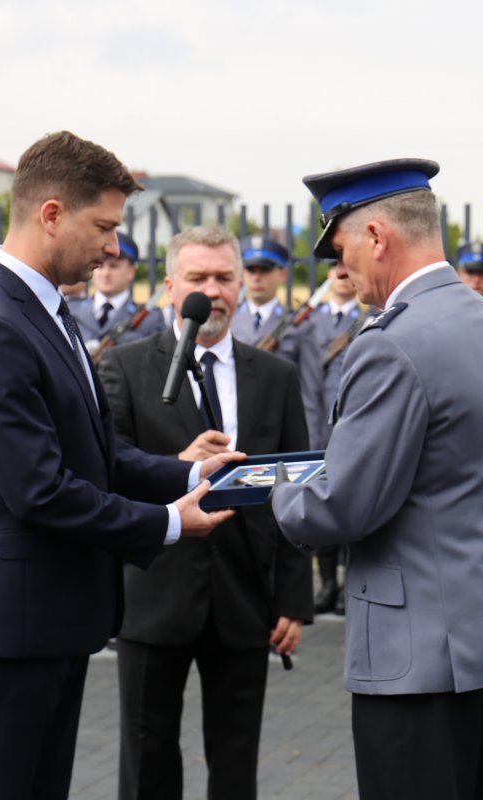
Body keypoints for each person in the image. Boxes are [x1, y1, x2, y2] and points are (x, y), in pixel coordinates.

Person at [0, 130, 239, 800]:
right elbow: (39, 490)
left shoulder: (44, 310)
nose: (113, 248)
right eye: (103, 226)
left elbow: (90, 455)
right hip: (10, 620)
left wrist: (188, 476)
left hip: (50, 614)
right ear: (49, 215)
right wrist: (165, 522)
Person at [272, 158, 483, 800]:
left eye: (342, 251)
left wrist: (273, 493)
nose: (342, 272)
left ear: (376, 237)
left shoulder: (392, 343)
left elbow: (343, 506)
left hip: (419, 650)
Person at [99, 225, 313, 800]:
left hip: (245, 599)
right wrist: (176, 466)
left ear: (242, 285)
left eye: (224, 278)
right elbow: (108, 472)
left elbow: (294, 490)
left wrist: (294, 597)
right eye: (198, 278)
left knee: (236, 761)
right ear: (171, 287)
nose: (212, 291)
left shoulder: (275, 376)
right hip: (155, 593)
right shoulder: (124, 368)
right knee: (147, 761)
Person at [230, 235, 325, 447]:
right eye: (250, 270)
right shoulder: (228, 322)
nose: (256, 278)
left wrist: (310, 448)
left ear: (282, 274)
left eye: (264, 270)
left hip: (276, 435)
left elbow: (309, 394)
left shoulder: (299, 326)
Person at [306, 260, 363, 614]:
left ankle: (347, 583)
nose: (341, 275)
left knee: (352, 503)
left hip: (353, 424)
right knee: (319, 503)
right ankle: (327, 582)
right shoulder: (310, 321)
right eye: (333, 268)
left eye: (346, 266)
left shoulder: (370, 319)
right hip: (318, 427)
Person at [69, 229, 163, 352]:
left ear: (131, 272)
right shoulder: (71, 310)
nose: (106, 273)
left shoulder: (149, 318)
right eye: (100, 266)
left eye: (114, 266)